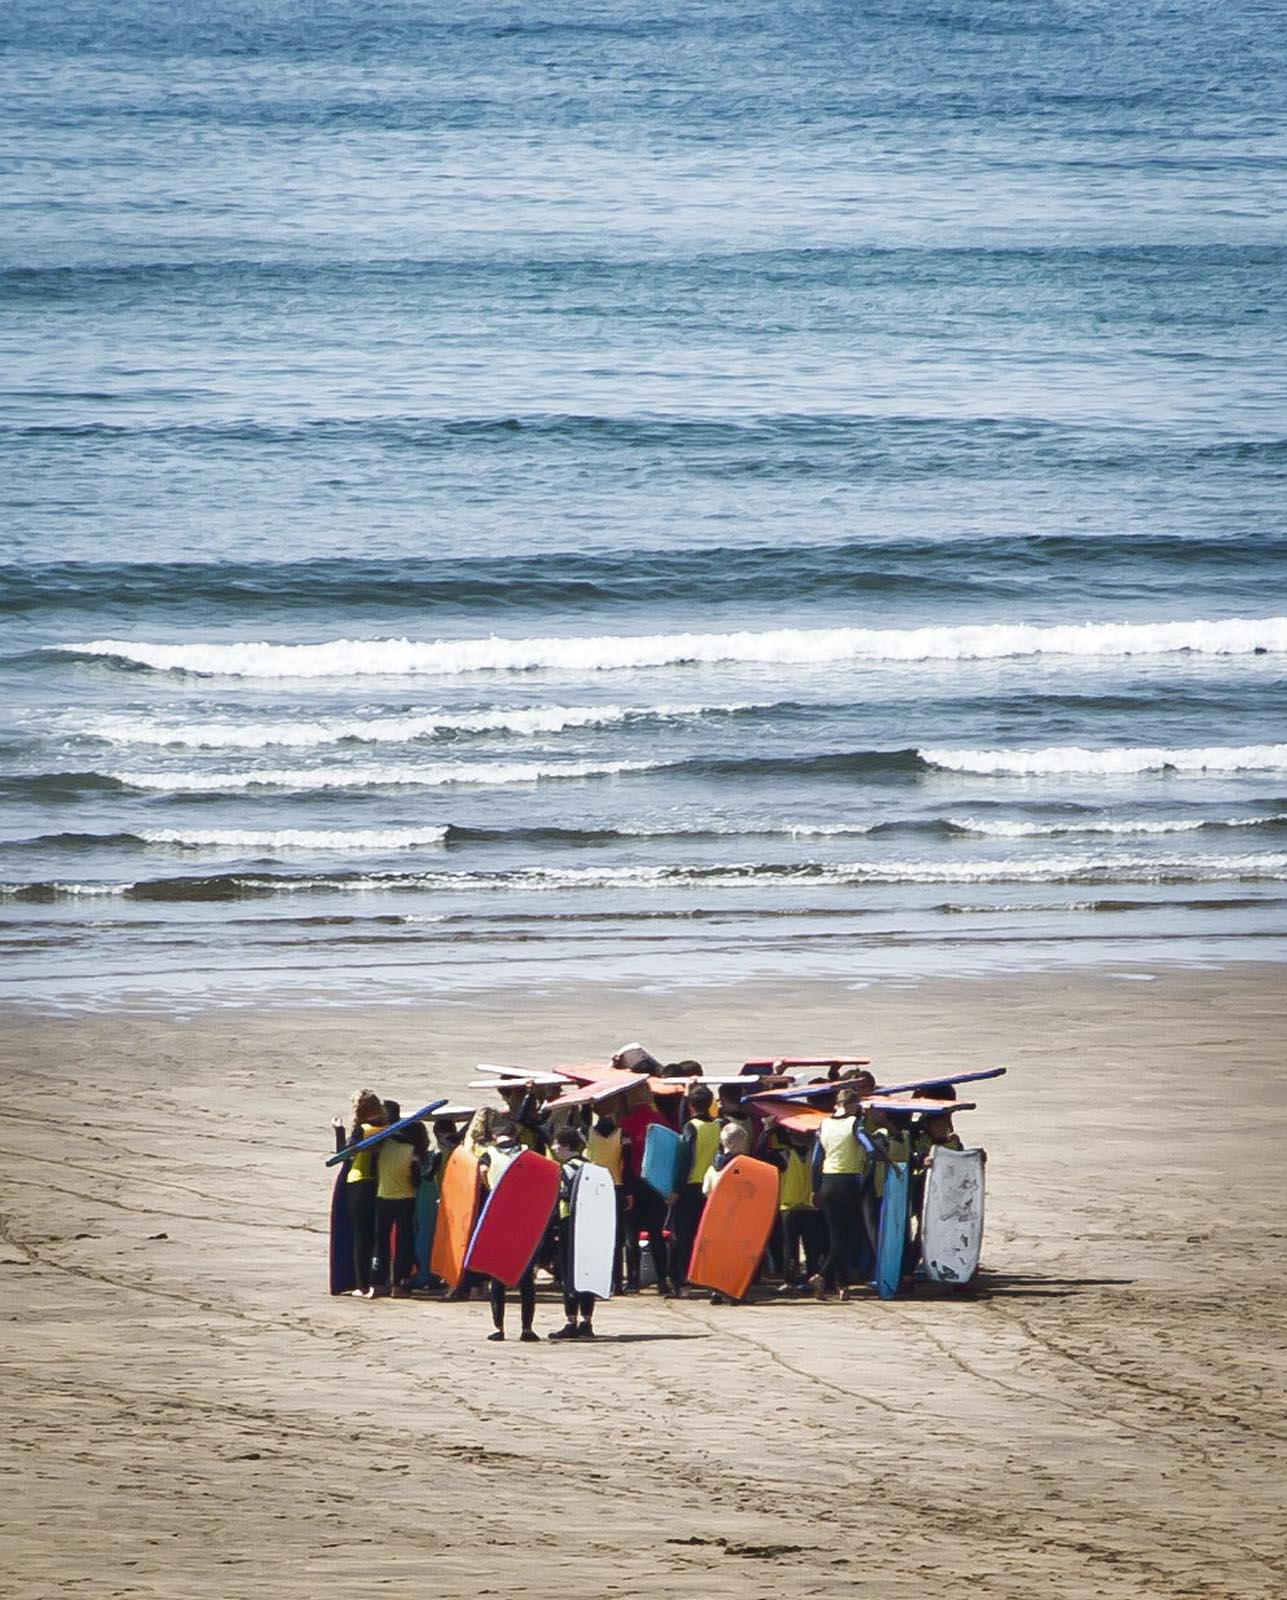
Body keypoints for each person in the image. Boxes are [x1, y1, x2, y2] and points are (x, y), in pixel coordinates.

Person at [477, 1115, 540, 1342]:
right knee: (525, 1277)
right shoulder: (526, 1152)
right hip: (523, 1217)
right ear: (515, 1134)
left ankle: (499, 1328)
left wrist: (491, 1190)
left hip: (498, 1214)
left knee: (497, 1275)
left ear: (495, 1136)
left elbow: (483, 1171)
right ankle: (527, 1328)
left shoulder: (489, 1154)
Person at [809, 1084, 870, 1300]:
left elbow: (815, 1161)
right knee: (846, 1237)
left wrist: (815, 1189)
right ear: (853, 1105)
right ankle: (822, 1275)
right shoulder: (855, 1124)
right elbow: (869, 1148)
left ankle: (842, 1285)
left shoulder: (823, 1124)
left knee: (837, 1235)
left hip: (827, 1183)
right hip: (848, 1183)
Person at [331, 1089, 387, 1298]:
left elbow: (342, 1155)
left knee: (360, 1235)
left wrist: (339, 1130)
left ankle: (361, 1284)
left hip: (358, 1181)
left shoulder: (362, 1130)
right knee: (375, 1235)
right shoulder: (387, 1128)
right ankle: (378, 1280)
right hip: (379, 1183)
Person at [617, 1086, 673, 1294]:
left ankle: (633, 1282)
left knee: (632, 1236)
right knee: (656, 1235)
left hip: (633, 1185)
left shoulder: (625, 1124)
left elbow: (624, 1159)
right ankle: (662, 1282)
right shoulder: (661, 1122)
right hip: (657, 1185)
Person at [668, 1083, 720, 1296]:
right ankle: (703, 1276)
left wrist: (676, 1190)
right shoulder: (718, 1126)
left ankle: (682, 1281)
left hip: (690, 1186)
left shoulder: (691, 1127)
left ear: (690, 1106)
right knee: (704, 1234)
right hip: (711, 1188)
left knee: (682, 1235)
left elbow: (685, 1160)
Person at [547, 1126, 597, 1340]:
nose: (554, 1147)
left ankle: (571, 1322)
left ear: (565, 1146)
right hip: (590, 1225)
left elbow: (560, 1198)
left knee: (569, 1274)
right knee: (587, 1273)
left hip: (569, 1224)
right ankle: (587, 1322)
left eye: (556, 1143)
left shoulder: (564, 1170)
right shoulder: (591, 1167)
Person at [369, 1099, 422, 1298]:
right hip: (405, 1199)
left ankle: (378, 1282)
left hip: (383, 1197)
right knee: (403, 1243)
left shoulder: (379, 1145)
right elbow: (416, 1180)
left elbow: (374, 1170)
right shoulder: (411, 1149)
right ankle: (399, 1285)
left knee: (380, 1241)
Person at [773, 1124, 825, 1293]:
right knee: (811, 1247)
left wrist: (768, 1130)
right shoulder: (815, 1154)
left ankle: (791, 1279)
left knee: (791, 1246)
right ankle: (810, 1276)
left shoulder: (784, 1155)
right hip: (808, 1207)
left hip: (790, 1207)